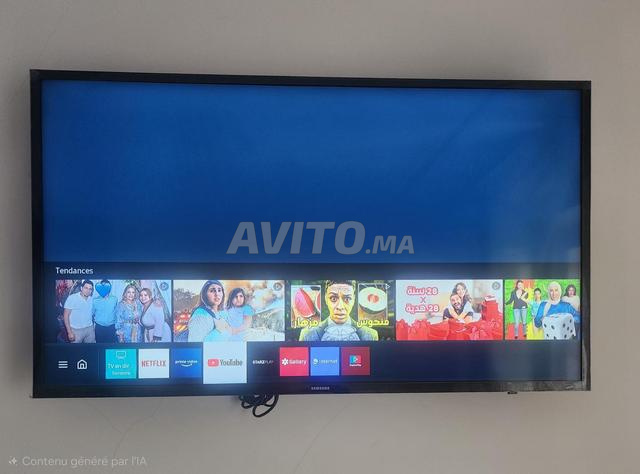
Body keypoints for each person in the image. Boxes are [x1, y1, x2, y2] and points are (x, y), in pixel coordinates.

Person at [300, 280, 378, 341]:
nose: (340, 307)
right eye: (333, 298)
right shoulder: (307, 334)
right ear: (326, 299)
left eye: (347, 298)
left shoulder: (371, 335)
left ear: (354, 299)